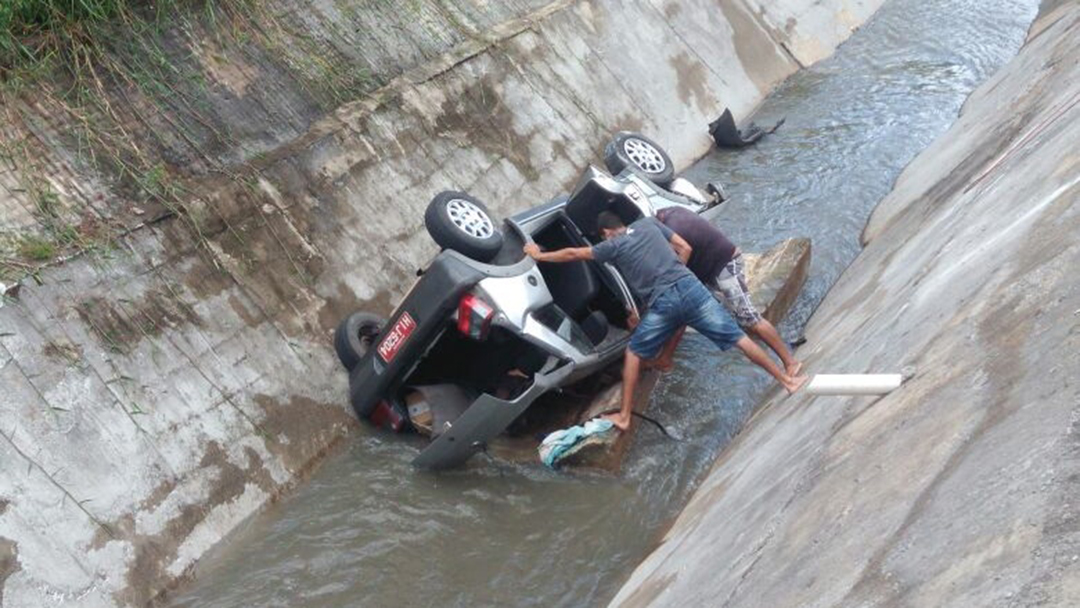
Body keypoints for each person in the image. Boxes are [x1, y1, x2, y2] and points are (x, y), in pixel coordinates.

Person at [523, 211, 807, 431]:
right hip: (691, 288)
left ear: (607, 232)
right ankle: (786, 380)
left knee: (634, 353)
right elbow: (684, 247)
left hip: (664, 302)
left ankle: (624, 417)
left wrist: (539, 255)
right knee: (739, 338)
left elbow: (574, 253)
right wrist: (674, 272)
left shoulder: (612, 246)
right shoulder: (648, 224)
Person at [654, 206, 802, 376]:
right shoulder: (673, 212)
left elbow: (683, 253)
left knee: (750, 317)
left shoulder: (672, 230)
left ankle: (790, 362)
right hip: (711, 267)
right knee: (687, 312)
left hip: (725, 265)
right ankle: (665, 359)